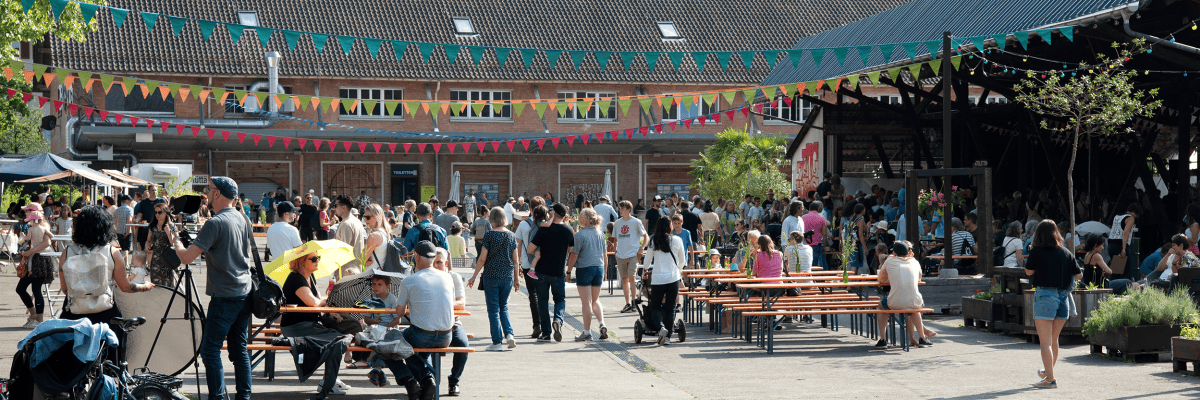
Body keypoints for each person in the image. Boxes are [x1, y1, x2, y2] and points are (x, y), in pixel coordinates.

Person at [170, 176, 254, 400]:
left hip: (226, 293)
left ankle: (217, 397)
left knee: (209, 350)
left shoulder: (215, 222)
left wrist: (176, 242)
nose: (206, 193)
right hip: (244, 290)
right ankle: (244, 397)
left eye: (209, 189)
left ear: (218, 194)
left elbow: (187, 257)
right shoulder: (243, 218)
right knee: (239, 350)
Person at [56, 205, 154, 362]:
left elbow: (64, 288)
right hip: (105, 315)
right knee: (110, 362)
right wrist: (145, 286)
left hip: (74, 315)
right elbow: (126, 287)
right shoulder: (112, 252)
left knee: (73, 365)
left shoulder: (67, 252)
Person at [382, 241, 455, 400]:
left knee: (387, 342)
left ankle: (409, 381)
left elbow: (399, 313)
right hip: (446, 336)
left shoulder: (409, 280)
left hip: (422, 335)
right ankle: (427, 379)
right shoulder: (447, 277)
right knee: (415, 345)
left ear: (416, 257)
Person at [279, 253, 352, 397]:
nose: (317, 261)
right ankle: (328, 383)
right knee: (338, 339)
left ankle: (330, 379)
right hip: (295, 326)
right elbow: (313, 303)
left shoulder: (310, 277)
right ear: (301, 262)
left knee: (341, 335)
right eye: (313, 259)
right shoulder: (296, 278)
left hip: (309, 324)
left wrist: (329, 301)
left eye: (318, 258)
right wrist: (327, 300)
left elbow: (318, 300)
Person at [1024, 219, 1083, 389]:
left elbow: (1028, 272)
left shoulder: (1036, 251)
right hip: (1063, 298)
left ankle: (1050, 379)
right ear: (1056, 233)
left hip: (1045, 296)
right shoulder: (1065, 252)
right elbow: (1078, 275)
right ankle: (1047, 373)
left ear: (1038, 235)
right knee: (1054, 340)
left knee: (1045, 342)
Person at [467, 207, 521, 351]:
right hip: (507, 277)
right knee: (503, 307)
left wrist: (474, 276)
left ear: (491, 220)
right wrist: (516, 279)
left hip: (491, 277)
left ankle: (497, 342)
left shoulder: (489, 235)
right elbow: (516, 260)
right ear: (504, 219)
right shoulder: (511, 235)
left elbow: (482, 259)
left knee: (493, 309)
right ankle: (509, 334)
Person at [873, 241, 933, 349]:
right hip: (915, 301)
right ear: (908, 252)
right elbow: (919, 277)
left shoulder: (890, 260)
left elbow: (881, 278)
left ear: (894, 253)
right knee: (913, 305)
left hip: (894, 303)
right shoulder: (914, 262)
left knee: (881, 305)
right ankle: (922, 338)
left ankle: (882, 339)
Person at [528, 203, 575, 342]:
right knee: (559, 299)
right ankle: (558, 320)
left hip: (542, 271)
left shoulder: (543, 230)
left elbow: (529, 249)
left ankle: (546, 333)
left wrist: (539, 252)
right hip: (558, 271)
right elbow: (571, 252)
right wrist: (568, 271)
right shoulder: (569, 230)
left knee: (542, 301)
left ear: (553, 214)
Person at [431, 248, 470, 396]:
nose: (435, 266)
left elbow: (461, 304)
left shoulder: (453, 277)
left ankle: (454, 381)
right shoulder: (424, 277)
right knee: (413, 349)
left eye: (439, 263)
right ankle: (426, 380)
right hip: (428, 324)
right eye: (432, 263)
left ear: (446, 263)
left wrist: (442, 302)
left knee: (463, 347)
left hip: (452, 323)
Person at [567, 208, 608, 341]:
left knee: (586, 302)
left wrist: (568, 271)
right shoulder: (600, 233)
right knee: (596, 300)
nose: (579, 219)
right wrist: (605, 271)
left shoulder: (580, 235)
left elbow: (574, 254)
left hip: (585, 268)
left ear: (586, 219)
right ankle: (602, 323)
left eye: (581, 216)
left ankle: (587, 332)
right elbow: (605, 255)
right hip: (599, 267)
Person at [643, 217, 684, 345]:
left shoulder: (653, 241)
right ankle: (668, 338)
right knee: (671, 307)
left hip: (658, 278)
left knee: (655, 306)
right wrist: (678, 270)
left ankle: (661, 328)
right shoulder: (677, 240)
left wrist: (644, 271)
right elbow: (682, 261)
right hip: (673, 277)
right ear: (670, 227)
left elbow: (647, 261)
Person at [16, 203, 53, 329]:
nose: (25, 213)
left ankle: (39, 320)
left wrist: (30, 251)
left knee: (36, 290)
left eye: (27, 211)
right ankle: (33, 316)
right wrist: (23, 246)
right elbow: (26, 241)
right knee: (21, 288)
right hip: (30, 259)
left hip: (39, 259)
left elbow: (47, 243)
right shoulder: (30, 225)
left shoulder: (44, 225)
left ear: (33, 212)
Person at [514, 205, 546, 336]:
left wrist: (519, 263)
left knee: (533, 294)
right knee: (544, 295)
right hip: (545, 264)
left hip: (528, 264)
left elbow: (518, 244)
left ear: (531, 210)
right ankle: (546, 325)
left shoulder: (523, 224)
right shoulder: (548, 225)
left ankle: (537, 324)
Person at [614, 201, 647, 313]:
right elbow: (615, 238)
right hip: (621, 255)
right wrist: (615, 251)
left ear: (628, 209)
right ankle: (628, 303)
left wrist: (641, 248)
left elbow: (646, 237)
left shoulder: (636, 222)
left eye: (622, 208)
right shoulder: (617, 223)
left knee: (632, 277)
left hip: (633, 254)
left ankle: (634, 302)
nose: (620, 210)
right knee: (624, 279)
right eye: (619, 208)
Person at [144, 202, 180, 288]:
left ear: (166, 213)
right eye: (155, 212)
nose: (157, 214)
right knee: (156, 284)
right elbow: (148, 240)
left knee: (169, 285)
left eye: (160, 212)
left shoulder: (172, 226)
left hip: (168, 258)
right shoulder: (152, 226)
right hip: (156, 259)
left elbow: (175, 243)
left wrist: (168, 233)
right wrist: (147, 245)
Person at [333, 195, 366, 277]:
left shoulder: (346, 224)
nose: (334, 208)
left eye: (336, 205)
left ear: (343, 207)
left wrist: (336, 273)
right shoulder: (357, 221)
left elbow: (343, 251)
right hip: (356, 268)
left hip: (347, 270)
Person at [1109, 204, 1142, 280]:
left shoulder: (1117, 216)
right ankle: (1122, 288)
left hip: (1111, 244)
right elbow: (1126, 233)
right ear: (1133, 212)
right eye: (1137, 214)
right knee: (1124, 271)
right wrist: (1123, 249)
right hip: (1120, 245)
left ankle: (1112, 286)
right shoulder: (1130, 218)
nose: (1138, 217)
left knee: (1116, 270)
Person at [362, 204, 391, 270]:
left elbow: (361, 259)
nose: (365, 220)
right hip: (382, 274)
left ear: (377, 216)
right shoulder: (386, 232)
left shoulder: (374, 236)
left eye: (368, 217)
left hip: (372, 275)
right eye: (364, 217)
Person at [133, 184, 161, 250]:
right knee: (145, 249)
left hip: (158, 229)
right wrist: (136, 220)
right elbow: (140, 214)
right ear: (149, 191)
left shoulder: (162, 201)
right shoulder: (144, 202)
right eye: (152, 190)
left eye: (155, 190)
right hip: (146, 229)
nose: (154, 192)